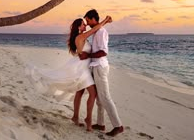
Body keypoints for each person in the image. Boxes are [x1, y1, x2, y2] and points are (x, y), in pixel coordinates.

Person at [26, 15, 112, 132]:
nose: (85, 25)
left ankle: (75, 117)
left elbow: (94, 30)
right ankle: (89, 121)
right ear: (78, 27)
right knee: (93, 94)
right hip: (82, 70)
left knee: (80, 92)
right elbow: (94, 30)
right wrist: (105, 20)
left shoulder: (82, 37)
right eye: (83, 24)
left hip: (83, 67)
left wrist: (105, 23)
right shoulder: (80, 37)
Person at [79, 9, 124, 137]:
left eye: (87, 20)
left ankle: (118, 126)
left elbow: (103, 52)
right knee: (99, 99)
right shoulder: (97, 31)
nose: (86, 23)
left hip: (100, 66)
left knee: (105, 97)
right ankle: (100, 123)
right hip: (95, 66)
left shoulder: (101, 32)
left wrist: (88, 55)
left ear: (93, 19)